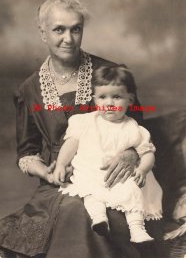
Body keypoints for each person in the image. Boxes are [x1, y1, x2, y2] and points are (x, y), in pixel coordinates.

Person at [0, 0, 163, 258]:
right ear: (43, 33)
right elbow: (27, 152)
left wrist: (130, 155)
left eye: (76, 29)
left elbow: (141, 130)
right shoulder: (29, 90)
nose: (68, 39)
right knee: (75, 210)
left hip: (115, 177)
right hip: (59, 183)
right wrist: (47, 172)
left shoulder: (110, 74)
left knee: (104, 216)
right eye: (58, 30)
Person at [54, 65, 163, 243]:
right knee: (90, 193)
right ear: (94, 99)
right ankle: (99, 219)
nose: (109, 104)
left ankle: (137, 229)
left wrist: (142, 170)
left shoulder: (134, 128)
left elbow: (148, 153)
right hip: (90, 172)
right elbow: (71, 143)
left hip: (122, 176)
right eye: (103, 97)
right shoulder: (85, 122)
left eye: (117, 97)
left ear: (130, 99)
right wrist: (61, 164)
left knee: (133, 191)